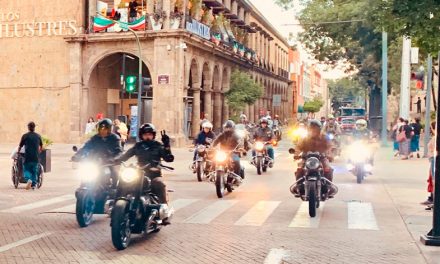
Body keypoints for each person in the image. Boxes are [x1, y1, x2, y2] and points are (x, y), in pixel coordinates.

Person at [114, 123, 174, 206]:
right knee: (123, 180)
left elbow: (169, 158)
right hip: (138, 173)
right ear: (141, 135)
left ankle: (164, 206)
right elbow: (126, 155)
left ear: (153, 135)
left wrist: (167, 146)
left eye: (150, 134)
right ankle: (116, 204)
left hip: (154, 174)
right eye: (145, 134)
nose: (148, 137)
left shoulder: (158, 146)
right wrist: (116, 160)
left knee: (159, 183)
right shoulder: (138, 146)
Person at [72, 119, 123, 185]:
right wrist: (77, 155)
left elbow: (119, 151)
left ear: (109, 129)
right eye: (101, 129)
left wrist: (114, 158)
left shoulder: (114, 138)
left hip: (109, 162)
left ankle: (114, 186)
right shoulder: (95, 138)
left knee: (114, 171)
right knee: (85, 174)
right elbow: (86, 147)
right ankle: (83, 186)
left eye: (105, 129)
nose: (102, 131)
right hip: (96, 162)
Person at [294, 120, 336, 196]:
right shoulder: (304, 138)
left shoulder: (324, 137)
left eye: (315, 128)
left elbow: (330, 146)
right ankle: (298, 186)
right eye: (311, 128)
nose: (313, 130)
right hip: (307, 158)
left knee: (328, 169)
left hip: (321, 158)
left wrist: (330, 155)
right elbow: (298, 147)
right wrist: (296, 154)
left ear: (319, 129)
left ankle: (329, 186)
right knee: (299, 169)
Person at [18, 122, 43, 190]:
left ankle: (28, 179)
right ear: (34, 127)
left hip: (27, 157)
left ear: (28, 127)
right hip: (36, 157)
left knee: (26, 169)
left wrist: (18, 152)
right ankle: (33, 185)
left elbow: (20, 146)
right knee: (34, 171)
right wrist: (39, 152)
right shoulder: (38, 136)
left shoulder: (25, 136)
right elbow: (41, 146)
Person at [422, 121, 436, 209]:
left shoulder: (435, 138)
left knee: (434, 181)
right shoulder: (435, 137)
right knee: (432, 180)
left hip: (434, 159)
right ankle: (432, 199)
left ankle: (434, 200)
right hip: (432, 159)